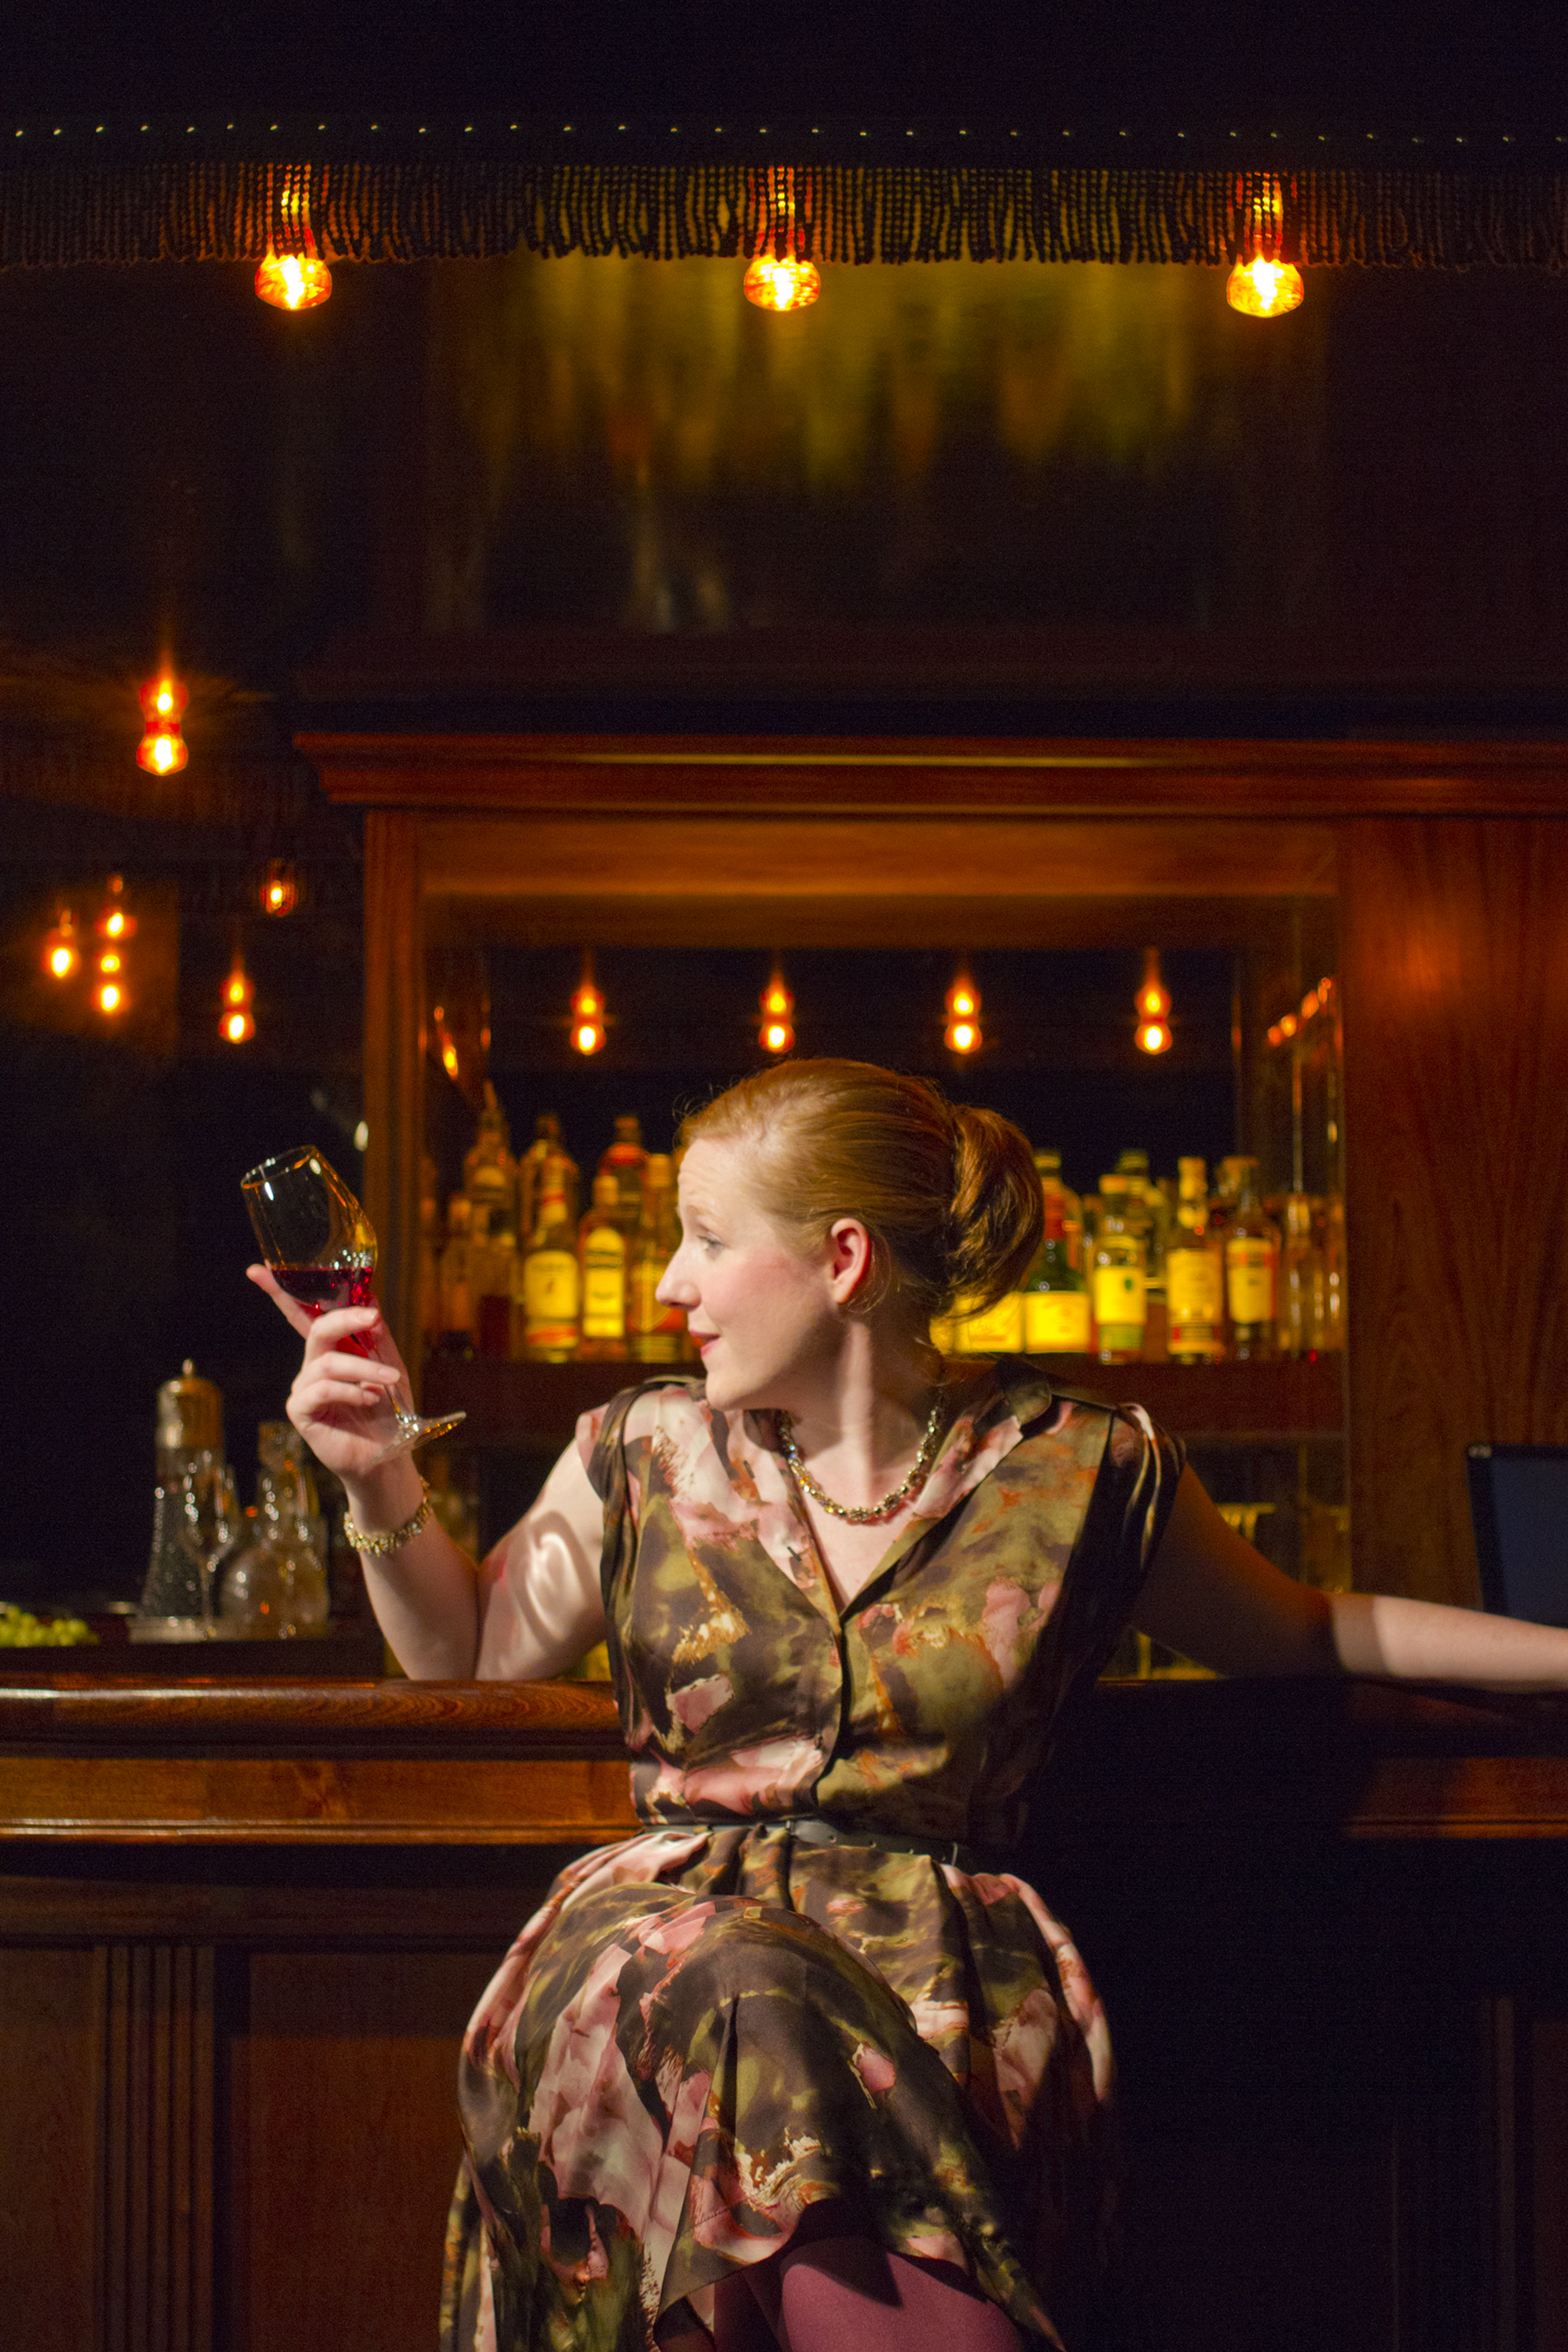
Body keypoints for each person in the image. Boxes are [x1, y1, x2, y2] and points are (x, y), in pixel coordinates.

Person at [252, 1060, 1568, 2352]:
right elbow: (471, 1658)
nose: (670, 1286)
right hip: (655, 1972)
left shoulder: (1081, 1468)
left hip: (939, 1993)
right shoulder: (642, 1448)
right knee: (739, 1983)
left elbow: (1309, 1629)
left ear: (843, 1260)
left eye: (707, 1238)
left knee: (773, 2043)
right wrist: (376, 1478)